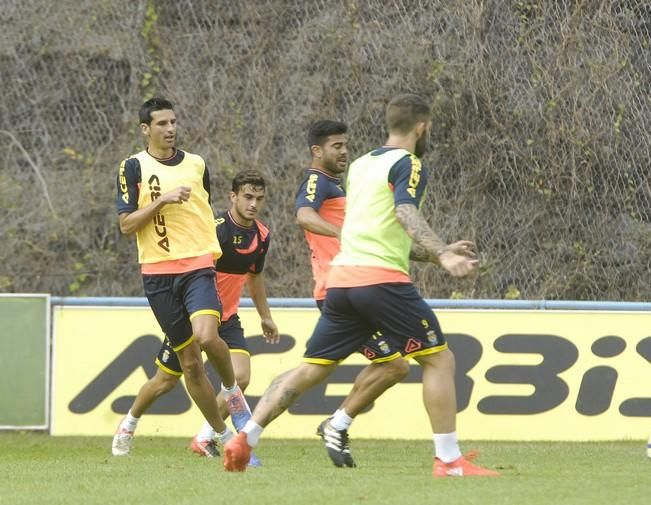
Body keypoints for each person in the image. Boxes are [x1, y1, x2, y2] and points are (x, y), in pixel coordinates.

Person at [224, 93, 499, 477]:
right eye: (429, 127)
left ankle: (245, 437)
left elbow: (373, 232)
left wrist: (437, 254)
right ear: (422, 127)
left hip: (341, 283)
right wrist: (445, 254)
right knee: (439, 358)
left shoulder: (362, 166)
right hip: (381, 281)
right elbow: (405, 210)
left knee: (311, 368)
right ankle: (449, 460)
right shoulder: (409, 163)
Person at [113, 97, 252, 460]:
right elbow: (126, 225)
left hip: (197, 267)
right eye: (161, 124)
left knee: (207, 335)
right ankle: (221, 436)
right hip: (158, 276)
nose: (170, 129)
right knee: (187, 364)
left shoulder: (196, 164)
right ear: (146, 129)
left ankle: (231, 390)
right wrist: (162, 201)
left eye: (173, 122)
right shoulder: (132, 167)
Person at [113, 170, 278, 465]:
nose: (253, 204)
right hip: (195, 316)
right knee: (163, 382)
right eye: (248, 197)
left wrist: (265, 316)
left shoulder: (261, 236)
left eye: (259, 199)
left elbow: (255, 277)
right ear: (233, 197)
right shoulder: (214, 229)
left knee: (241, 376)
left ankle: (205, 437)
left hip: (226, 319)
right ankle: (129, 422)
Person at [295, 120, 410, 467]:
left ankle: (338, 423)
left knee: (393, 365)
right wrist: (344, 237)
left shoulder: (336, 185)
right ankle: (336, 422)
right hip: (338, 290)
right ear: (317, 151)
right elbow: (303, 216)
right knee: (394, 365)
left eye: (346, 145)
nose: (345, 151)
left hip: (352, 286)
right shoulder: (317, 180)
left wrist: (438, 254)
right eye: (337, 146)